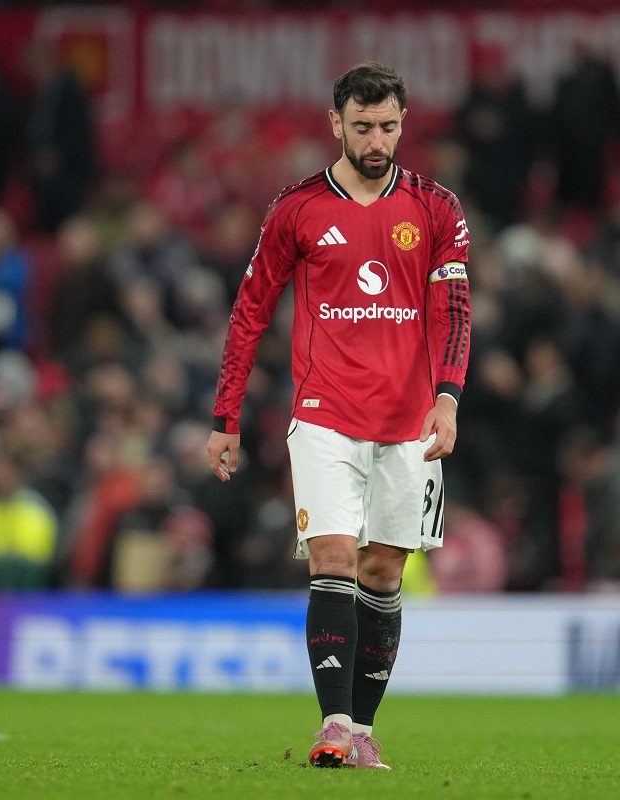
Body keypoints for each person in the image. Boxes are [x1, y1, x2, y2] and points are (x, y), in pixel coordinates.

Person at [206, 63, 471, 770]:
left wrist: (447, 397)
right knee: (333, 557)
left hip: (411, 422)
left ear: (403, 123)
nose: (376, 139)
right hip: (323, 414)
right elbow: (250, 310)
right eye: (362, 127)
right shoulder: (296, 209)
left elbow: (453, 310)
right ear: (336, 124)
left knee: (384, 571)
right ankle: (333, 723)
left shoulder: (437, 210)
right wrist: (225, 414)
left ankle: (360, 730)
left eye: (387, 126)